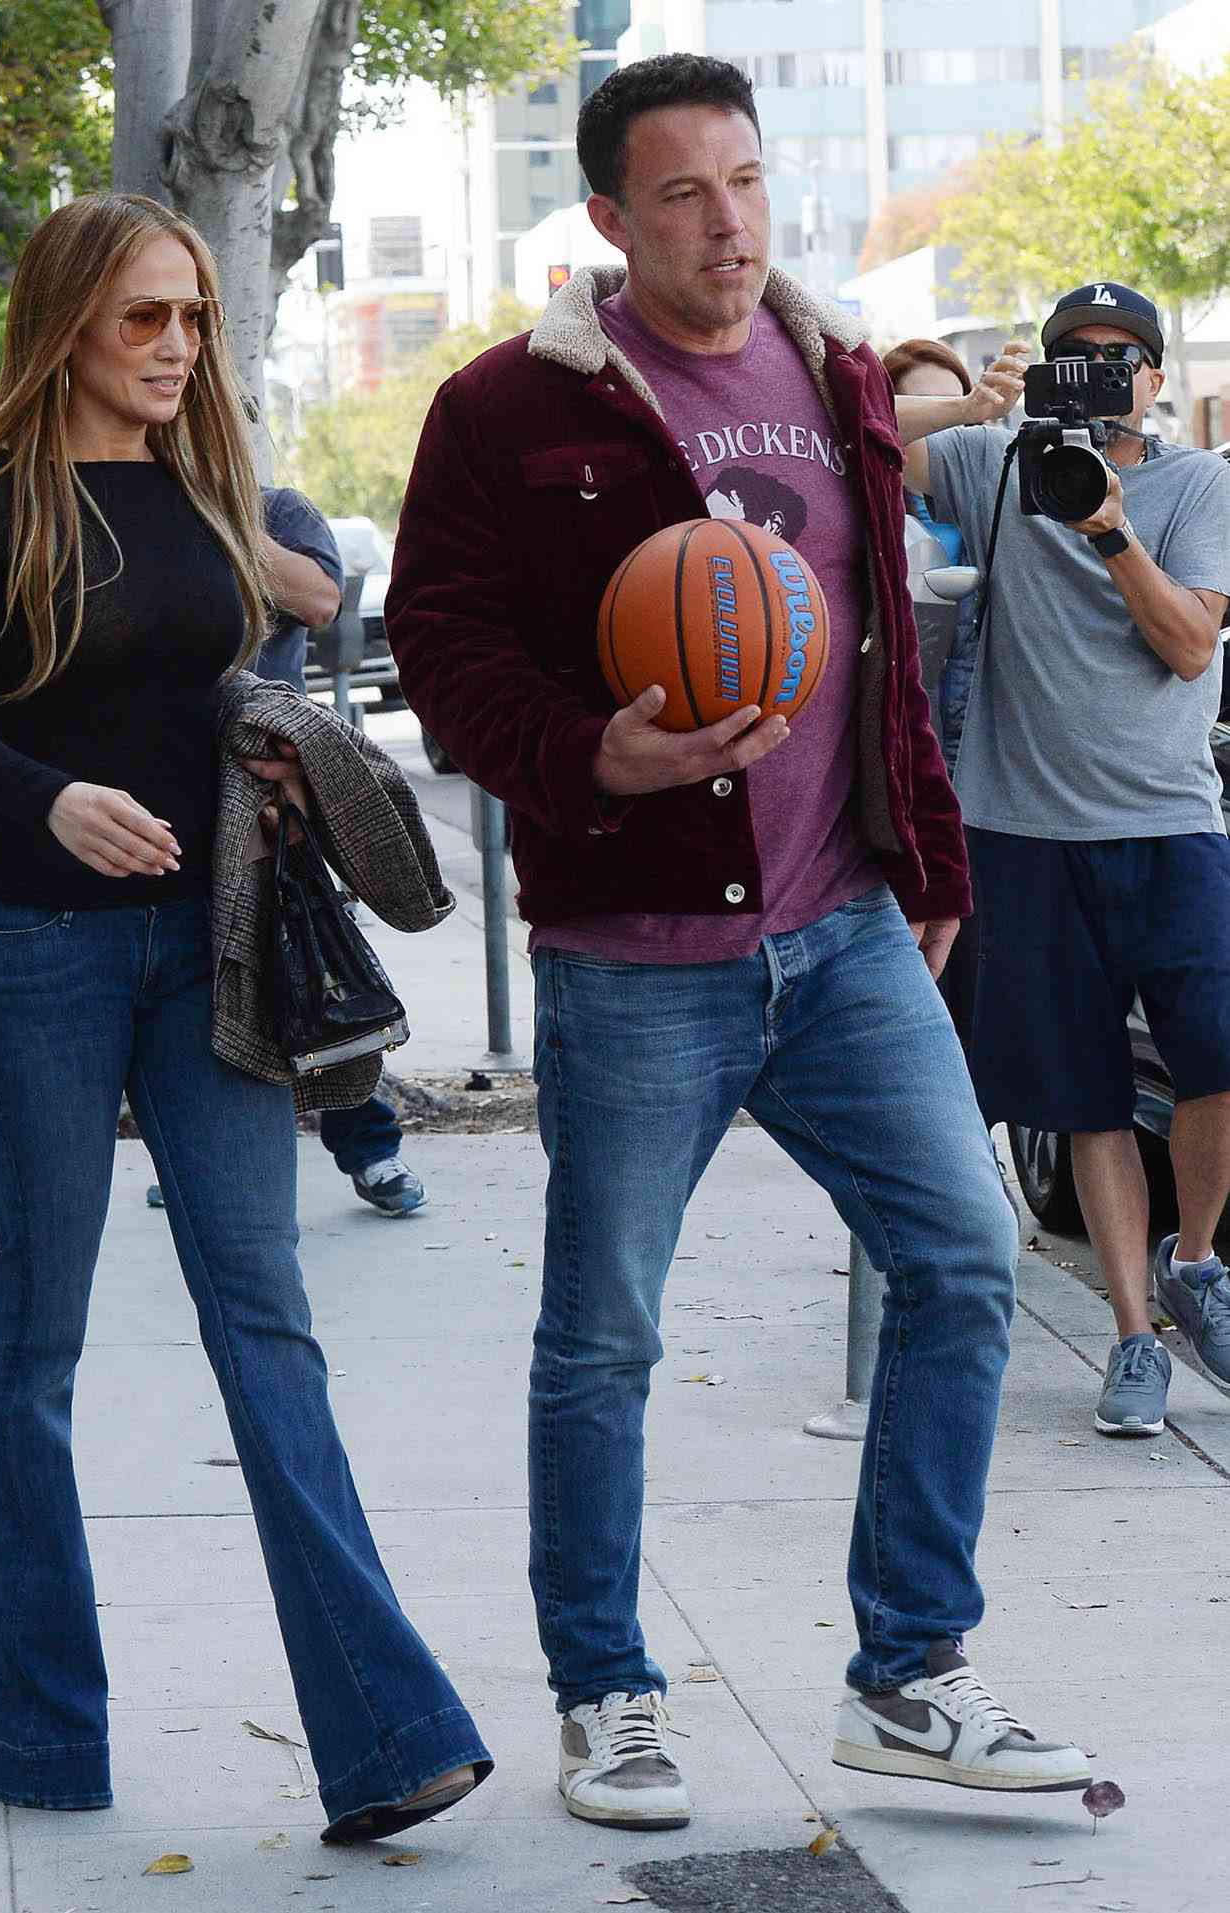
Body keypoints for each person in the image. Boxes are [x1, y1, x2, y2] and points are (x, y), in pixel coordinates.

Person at [387, 53, 1090, 1831]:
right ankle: (608, 1691)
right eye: (685, 192)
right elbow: (446, 654)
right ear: (610, 218)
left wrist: (925, 851)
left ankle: (911, 1671)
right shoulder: (505, 411)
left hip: (843, 931)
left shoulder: (839, 370)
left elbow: (879, 651)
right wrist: (584, 754)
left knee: (960, 1266)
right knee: (604, 1338)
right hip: (635, 953)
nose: (727, 220)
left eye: (749, 181)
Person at [0, 192, 488, 1837]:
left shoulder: (205, 489)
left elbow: (204, 680)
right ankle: (33, 1731)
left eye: (194, 318)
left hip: (213, 952)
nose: (175, 348)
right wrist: (50, 797)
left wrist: (273, 751)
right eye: (144, 317)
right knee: (41, 1327)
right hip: (35, 955)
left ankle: (385, 1739)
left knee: (269, 1316)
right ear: (69, 320)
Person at [897, 282, 1230, 1439]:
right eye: (1071, 359)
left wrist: (1109, 525)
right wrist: (969, 407)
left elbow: (1191, 645)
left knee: (1217, 1061)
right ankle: (1135, 1336)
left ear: (1152, 374)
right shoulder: (995, 460)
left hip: (1173, 821)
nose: (1099, 374)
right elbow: (858, 442)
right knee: (1089, 1094)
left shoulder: (1198, 482)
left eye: (1119, 356)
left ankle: (1198, 1262)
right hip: (1028, 832)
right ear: (1043, 374)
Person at [146, 486, 427, 1218]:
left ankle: (372, 1149)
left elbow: (320, 601)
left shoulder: (279, 512)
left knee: (319, 972)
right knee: (192, 986)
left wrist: (218, 515)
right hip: (169, 788)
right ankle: (191, 1148)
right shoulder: (137, 505)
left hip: (273, 793)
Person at [882, 340, 984, 1060]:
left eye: (961, 421)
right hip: (901, 806)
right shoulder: (875, 519)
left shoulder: (1000, 511)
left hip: (982, 810)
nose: (942, 437)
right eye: (927, 413)